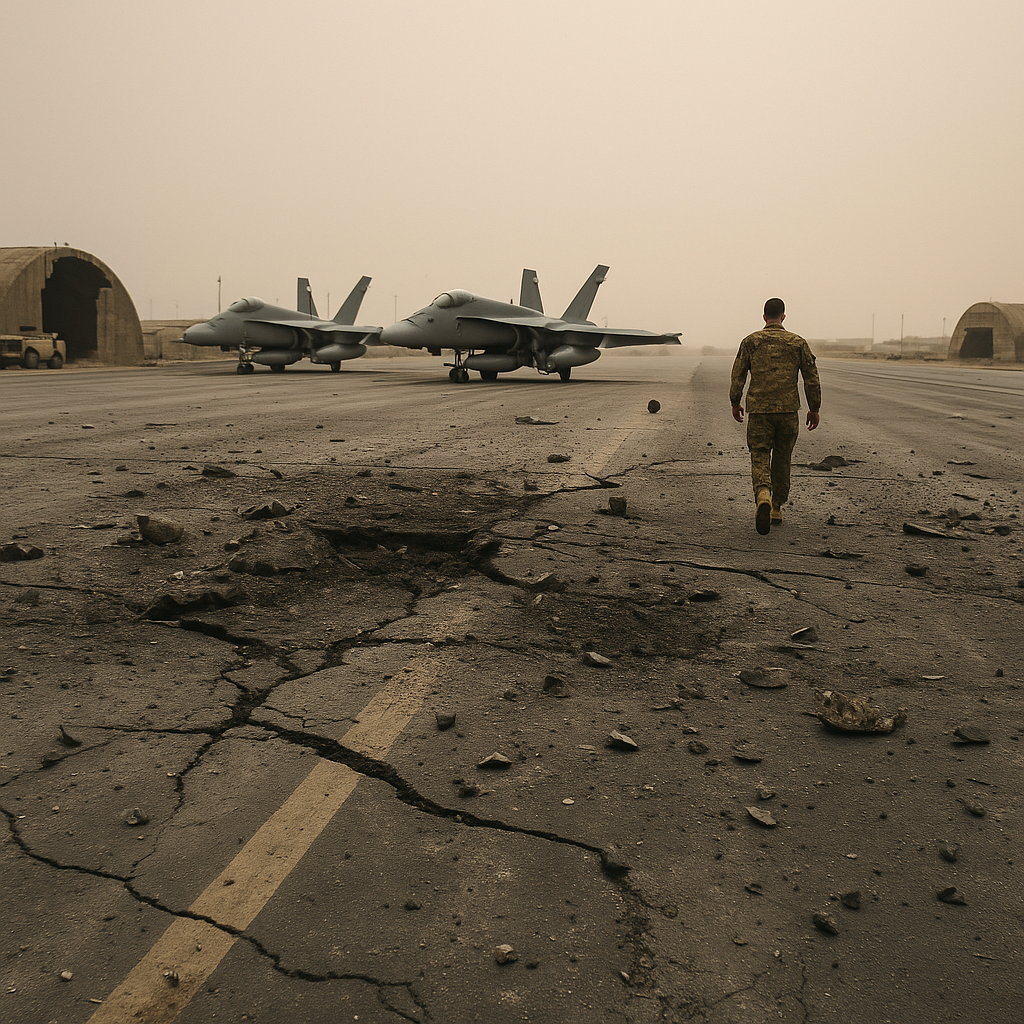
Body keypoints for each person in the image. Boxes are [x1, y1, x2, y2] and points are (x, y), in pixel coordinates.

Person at [730, 298, 821, 535]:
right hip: (788, 412)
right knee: (782, 458)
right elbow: (811, 377)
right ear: (783, 317)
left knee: (760, 454)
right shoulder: (797, 342)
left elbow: (738, 374)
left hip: (760, 412)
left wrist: (735, 401)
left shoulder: (750, 342)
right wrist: (814, 408)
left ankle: (763, 494)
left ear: (764, 317)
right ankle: (777, 507)